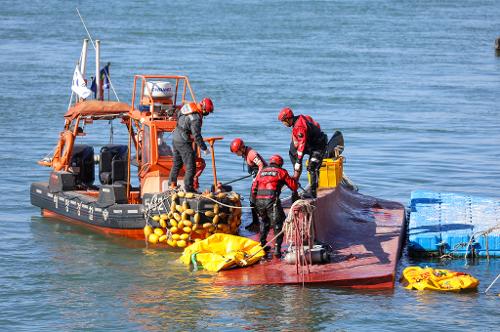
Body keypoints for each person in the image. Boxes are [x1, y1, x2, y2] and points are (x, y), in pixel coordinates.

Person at [251, 154, 298, 258]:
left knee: (264, 222)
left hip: (259, 202)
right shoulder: (281, 172)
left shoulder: (262, 171)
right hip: (272, 202)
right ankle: (277, 250)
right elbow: (293, 186)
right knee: (278, 224)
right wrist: (295, 179)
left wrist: (254, 202)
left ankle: (262, 245)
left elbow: (254, 187)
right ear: (280, 164)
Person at [278, 107, 327, 198]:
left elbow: (302, 144)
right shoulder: (298, 119)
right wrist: (296, 163)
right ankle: (295, 180)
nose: (283, 124)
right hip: (309, 143)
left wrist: (298, 161)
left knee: (312, 167)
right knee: (292, 151)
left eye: (283, 121)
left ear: (288, 119)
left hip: (318, 145)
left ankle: (313, 192)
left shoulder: (299, 126)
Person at [168, 98, 214, 192]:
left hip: (175, 137)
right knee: (191, 166)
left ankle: (172, 184)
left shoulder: (189, 106)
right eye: (207, 112)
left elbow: (178, 114)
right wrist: (204, 148)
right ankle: (189, 188)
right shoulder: (196, 118)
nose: (207, 114)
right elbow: (196, 135)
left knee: (177, 163)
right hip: (183, 141)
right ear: (203, 109)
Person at [229, 138, 267, 230]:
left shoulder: (251, 154)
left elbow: (261, 165)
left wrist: (257, 180)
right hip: (258, 177)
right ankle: (258, 221)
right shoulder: (246, 153)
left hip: (262, 178)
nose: (236, 154)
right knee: (254, 201)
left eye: (236, 152)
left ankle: (256, 224)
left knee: (253, 200)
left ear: (241, 149)